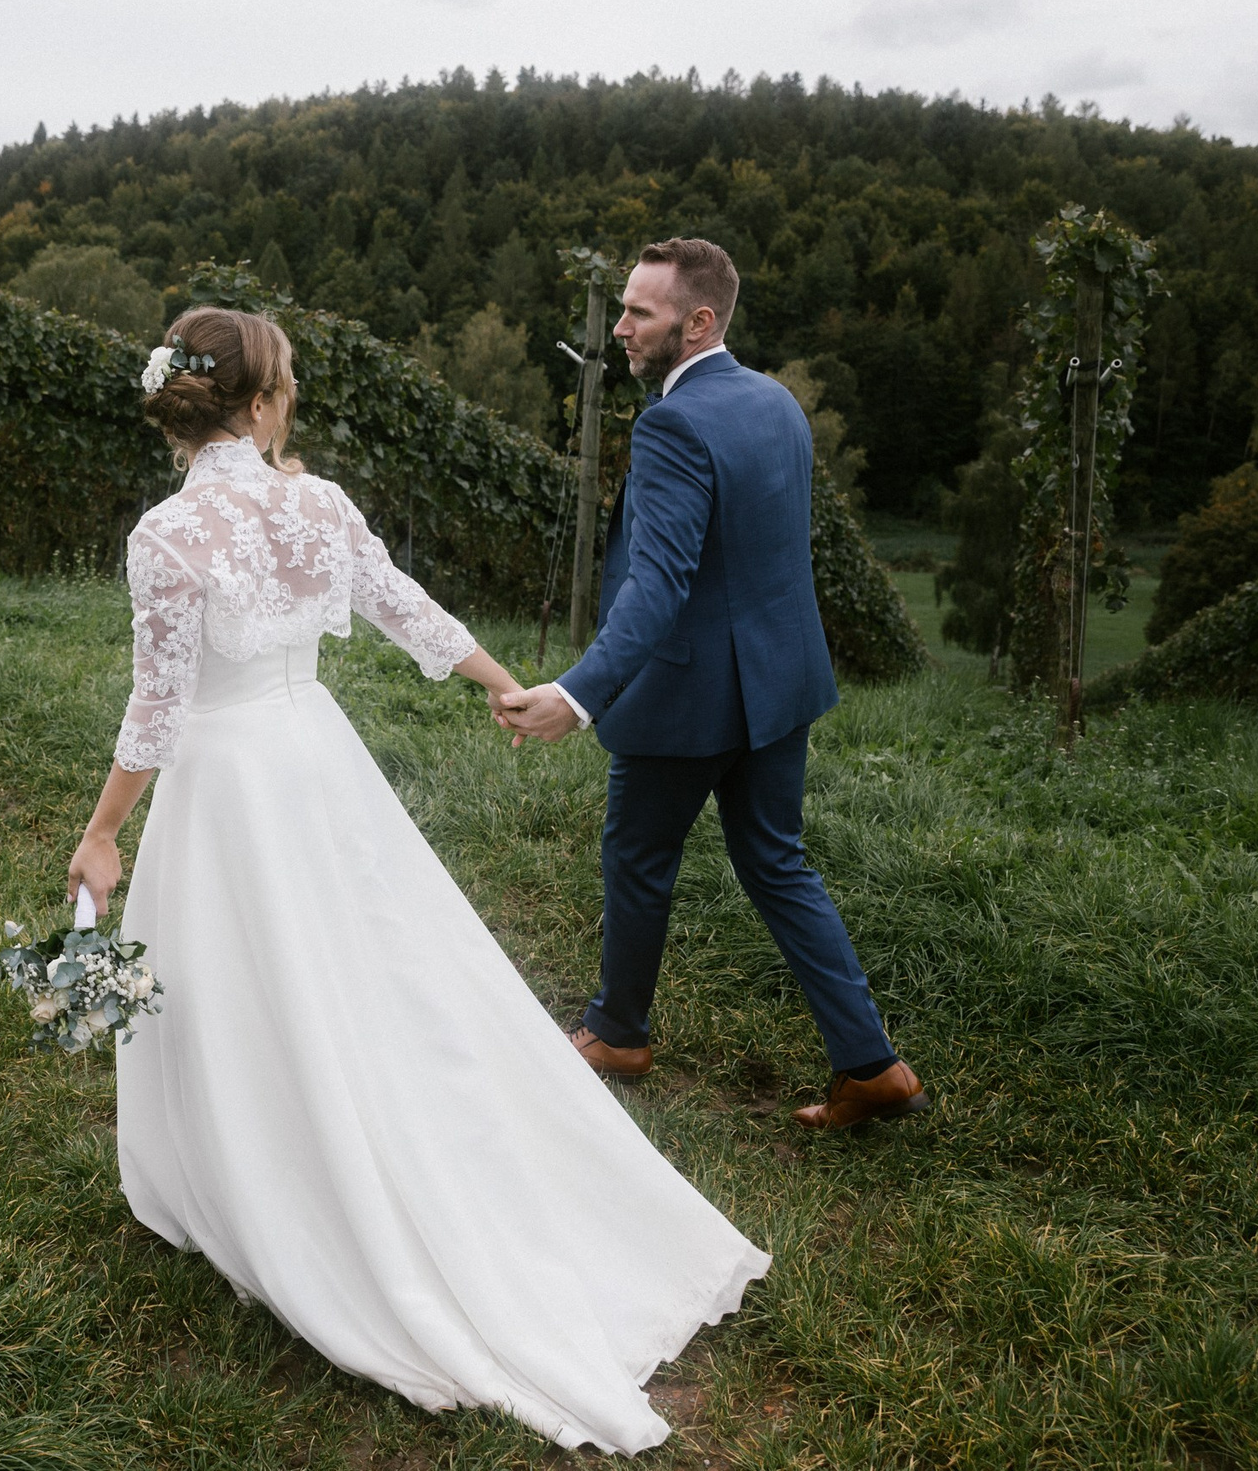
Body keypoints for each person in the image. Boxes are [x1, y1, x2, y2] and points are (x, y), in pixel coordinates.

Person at [66, 306, 769, 1455]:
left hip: (228, 780)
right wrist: (502, 681)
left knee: (239, 979)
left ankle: (260, 1177)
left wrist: (102, 834)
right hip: (314, 757)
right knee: (361, 964)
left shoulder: (168, 534)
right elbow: (405, 609)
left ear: (182, 403)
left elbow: (160, 704)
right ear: (263, 402)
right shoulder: (320, 503)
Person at [494, 238, 930, 1131]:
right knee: (777, 861)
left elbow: (657, 586)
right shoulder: (777, 402)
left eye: (639, 312)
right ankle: (873, 1063)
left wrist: (577, 695)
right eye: (623, 307)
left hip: (686, 693)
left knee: (638, 856)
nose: (620, 327)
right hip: (778, 682)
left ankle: (617, 1033)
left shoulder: (672, 425)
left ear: (697, 322)